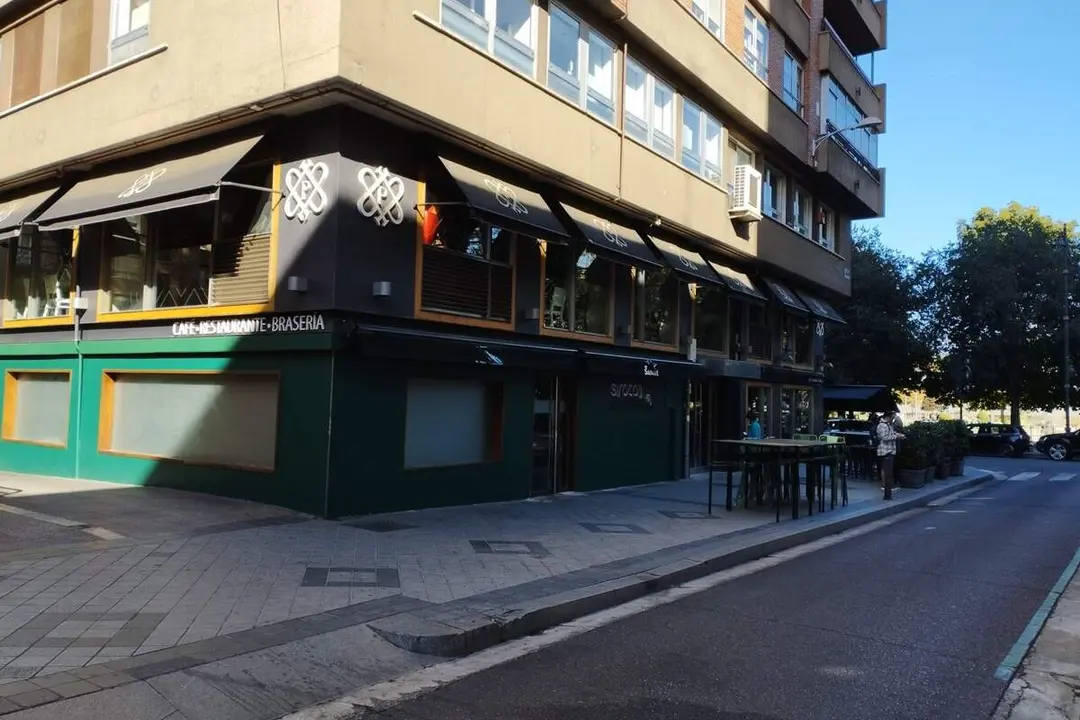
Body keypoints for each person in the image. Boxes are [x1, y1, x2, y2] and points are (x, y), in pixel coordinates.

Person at [877, 410, 905, 500]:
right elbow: (884, 437)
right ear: (888, 417)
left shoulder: (888, 425)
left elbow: (892, 433)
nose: (893, 419)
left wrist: (898, 435)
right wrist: (896, 437)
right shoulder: (882, 425)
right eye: (892, 417)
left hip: (890, 451)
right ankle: (887, 495)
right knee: (888, 474)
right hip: (885, 452)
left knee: (889, 474)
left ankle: (888, 494)